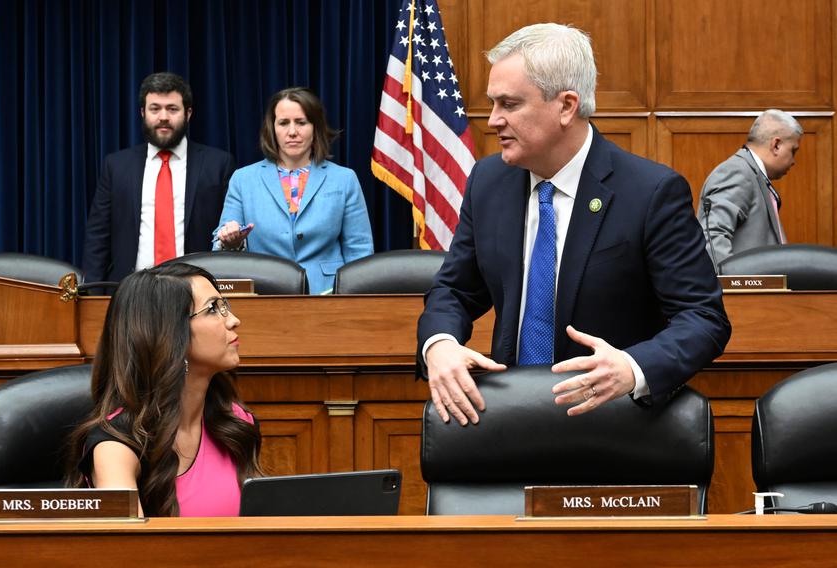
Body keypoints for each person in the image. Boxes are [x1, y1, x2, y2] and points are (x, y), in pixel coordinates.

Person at [417, 23, 731, 426]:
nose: (492, 119)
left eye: (509, 104)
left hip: (611, 424)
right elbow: (455, 289)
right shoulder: (488, 181)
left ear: (566, 106)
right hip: (509, 417)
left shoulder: (650, 192)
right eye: (493, 103)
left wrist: (633, 367)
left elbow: (703, 318)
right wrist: (439, 344)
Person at [66, 263, 261, 517]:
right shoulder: (116, 447)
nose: (234, 321)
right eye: (213, 309)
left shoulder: (235, 422)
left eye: (225, 306)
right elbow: (130, 551)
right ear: (169, 335)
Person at [213, 87, 373, 294]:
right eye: (283, 123)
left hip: (328, 295)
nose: (292, 132)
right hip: (263, 293)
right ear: (272, 129)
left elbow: (359, 250)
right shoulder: (243, 179)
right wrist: (230, 239)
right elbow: (220, 242)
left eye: (301, 122)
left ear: (315, 127)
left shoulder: (344, 179)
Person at [82, 72, 236, 284]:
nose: (164, 116)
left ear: (188, 113)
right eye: (155, 108)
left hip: (195, 290)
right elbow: (98, 238)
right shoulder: (116, 166)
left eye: (172, 109)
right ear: (143, 113)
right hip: (131, 291)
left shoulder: (218, 164)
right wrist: (92, 295)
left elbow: (228, 233)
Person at [698, 109, 802, 268]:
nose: (794, 161)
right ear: (776, 145)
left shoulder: (753, 174)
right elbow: (712, 236)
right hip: (746, 292)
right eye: (793, 150)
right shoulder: (738, 171)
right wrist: (733, 286)